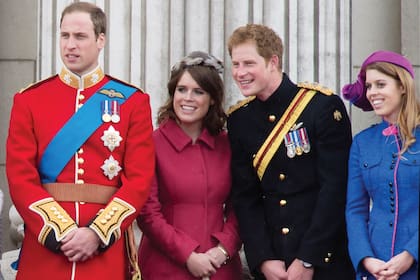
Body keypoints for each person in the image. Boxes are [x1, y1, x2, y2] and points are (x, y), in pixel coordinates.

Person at [6, 2, 155, 279]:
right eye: (65, 36)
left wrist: (97, 234)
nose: (70, 45)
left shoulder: (133, 101)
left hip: (102, 251)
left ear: (101, 40)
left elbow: (139, 180)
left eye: (80, 36)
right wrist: (59, 232)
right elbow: (20, 176)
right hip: (46, 248)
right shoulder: (29, 100)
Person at [226, 23, 355, 280]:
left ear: (273, 61)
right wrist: (262, 259)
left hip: (324, 261)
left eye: (248, 63)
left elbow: (335, 189)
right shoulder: (240, 119)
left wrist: (309, 257)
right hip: (274, 264)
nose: (240, 73)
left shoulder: (321, 107)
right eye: (235, 64)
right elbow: (245, 197)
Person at [137, 51, 243, 280]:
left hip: (220, 268)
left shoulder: (228, 144)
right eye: (181, 90)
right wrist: (188, 255)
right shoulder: (151, 143)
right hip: (165, 267)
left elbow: (241, 206)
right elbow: (148, 214)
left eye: (198, 92)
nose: (187, 98)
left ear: (213, 98)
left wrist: (222, 250)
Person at [343, 50, 419, 279]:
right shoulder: (362, 142)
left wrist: (410, 254)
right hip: (376, 266)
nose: (372, 93)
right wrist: (366, 259)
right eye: (368, 86)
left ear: (402, 86)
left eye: (380, 84)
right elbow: (355, 210)